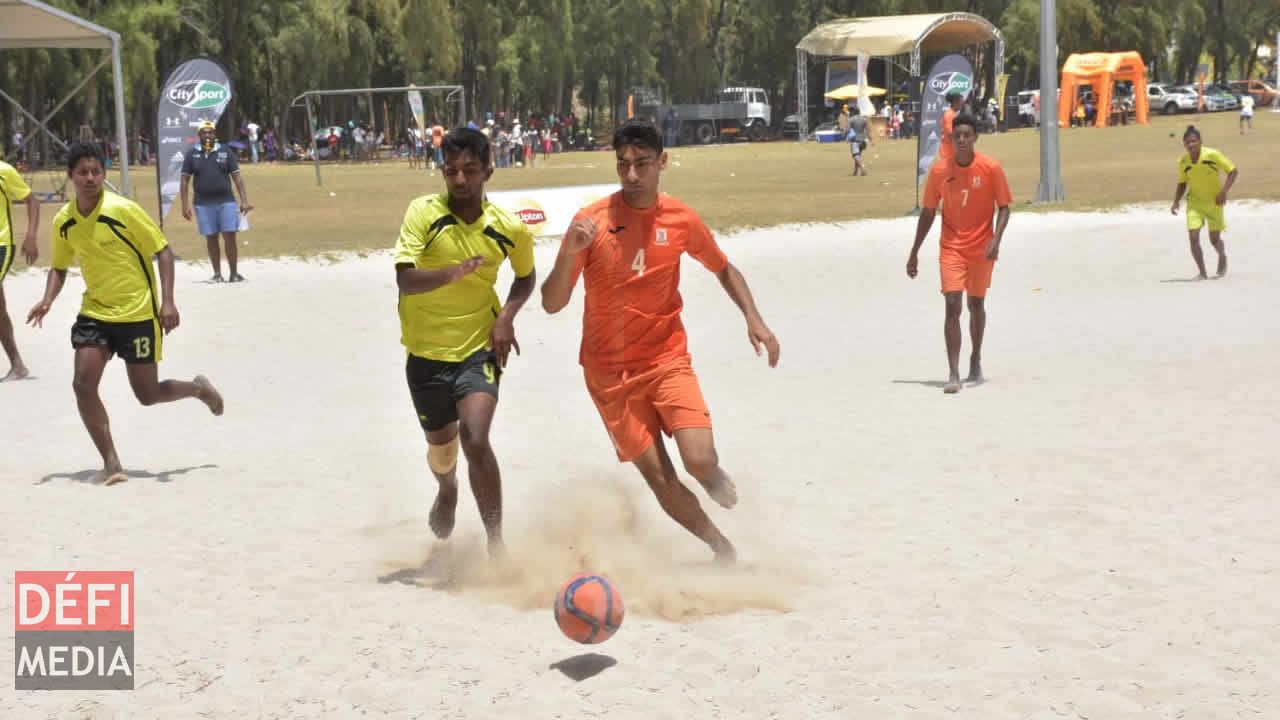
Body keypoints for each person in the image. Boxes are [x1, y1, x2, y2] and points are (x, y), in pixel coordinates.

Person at [540, 119, 781, 563]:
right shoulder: (589, 224)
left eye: (642, 164)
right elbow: (552, 303)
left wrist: (754, 318)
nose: (632, 175)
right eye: (623, 165)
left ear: (662, 163)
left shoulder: (681, 218)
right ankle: (719, 546)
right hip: (610, 376)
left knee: (699, 459)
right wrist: (569, 255)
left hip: (666, 359)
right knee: (660, 477)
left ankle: (710, 476)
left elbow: (724, 268)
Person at [26, 143, 224, 485]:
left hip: (137, 313)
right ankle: (111, 462)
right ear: (71, 176)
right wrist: (47, 299)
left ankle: (197, 389)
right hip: (96, 313)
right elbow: (58, 267)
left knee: (147, 395)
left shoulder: (123, 210)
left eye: (96, 172)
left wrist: (168, 302)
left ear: (103, 174)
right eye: (83, 172)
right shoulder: (64, 221)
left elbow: (162, 250)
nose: (90, 178)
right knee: (82, 383)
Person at [393, 127, 536, 559]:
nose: (459, 180)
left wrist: (506, 318)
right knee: (442, 451)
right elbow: (404, 278)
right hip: (424, 356)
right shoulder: (423, 213)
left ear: (489, 169)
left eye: (469, 170)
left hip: (478, 349)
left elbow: (526, 277)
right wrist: (450, 273)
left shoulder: (509, 228)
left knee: (475, 438)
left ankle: (496, 542)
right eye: (451, 171)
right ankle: (447, 489)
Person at [906, 113, 1012, 394]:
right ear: (951, 139)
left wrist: (996, 240)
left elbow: (1005, 207)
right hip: (951, 247)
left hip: (982, 248)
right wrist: (914, 251)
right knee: (952, 304)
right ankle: (953, 372)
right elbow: (928, 212)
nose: (962, 140)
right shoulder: (940, 171)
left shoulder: (991, 168)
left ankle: (975, 357)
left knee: (975, 306)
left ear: (975, 137)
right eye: (957, 136)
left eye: (967, 135)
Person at [180, 120, 253, 282]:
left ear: (215, 134)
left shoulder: (225, 151)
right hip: (202, 203)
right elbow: (184, 180)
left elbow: (237, 177)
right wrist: (184, 205)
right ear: (199, 135)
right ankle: (217, 274)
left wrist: (244, 200)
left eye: (210, 132)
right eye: (204, 132)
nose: (207, 135)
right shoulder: (192, 154)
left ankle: (234, 273)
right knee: (211, 237)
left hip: (226, 201)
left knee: (230, 236)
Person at [1171, 125, 1237, 280]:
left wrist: (1223, 192)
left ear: (1200, 141)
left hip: (1215, 202)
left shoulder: (1212, 155)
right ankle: (1202, 272)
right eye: (1187, 143)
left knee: (1214, 240)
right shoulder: (1183, 161)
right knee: (1193, 237)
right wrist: (1175, 202)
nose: (1191, 145)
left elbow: (1233, 171)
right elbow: (1182, 183)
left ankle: (1222, 255)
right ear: (1184, 144)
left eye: (1193, 141)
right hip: (1195, 203)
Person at [1, 159, 39, 380]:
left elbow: (33, 202)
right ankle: (17, 365)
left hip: (1, 245)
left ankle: (17, 364)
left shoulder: (4, 171)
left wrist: (31, 236)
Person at [936, 91, 965, 164]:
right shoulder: (949, 115)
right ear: (955, 102)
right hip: (949, 153)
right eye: (961, 101)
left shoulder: (952, 114)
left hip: (951, 152)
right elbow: (950, 134)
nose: (962, 104)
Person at [848, 106, 870, 176]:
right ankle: (855, 171)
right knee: (858, 155)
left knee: (855, 156)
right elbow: (867, 130)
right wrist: (870, 139)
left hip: (855, 140)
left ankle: (862, 168)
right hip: (863, 140)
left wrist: (845, 135)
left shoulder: (851, 119)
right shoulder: (864, 119)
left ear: (854, 112)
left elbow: (847, 129)